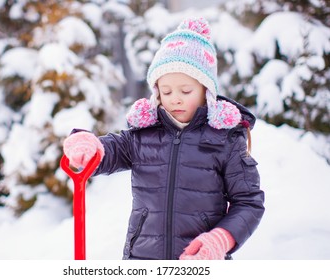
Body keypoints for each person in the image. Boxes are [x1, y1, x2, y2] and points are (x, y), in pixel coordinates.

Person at [63, 17, 265, 260]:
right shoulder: (144, 134)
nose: (175, 98)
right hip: (143, 259)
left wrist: (222, 238)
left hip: (199, 260)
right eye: (166, 91)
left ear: (206, 91)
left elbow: (248, 202)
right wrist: (89, 144)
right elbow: (112, 149)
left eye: (186, 91)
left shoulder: (225, 141)